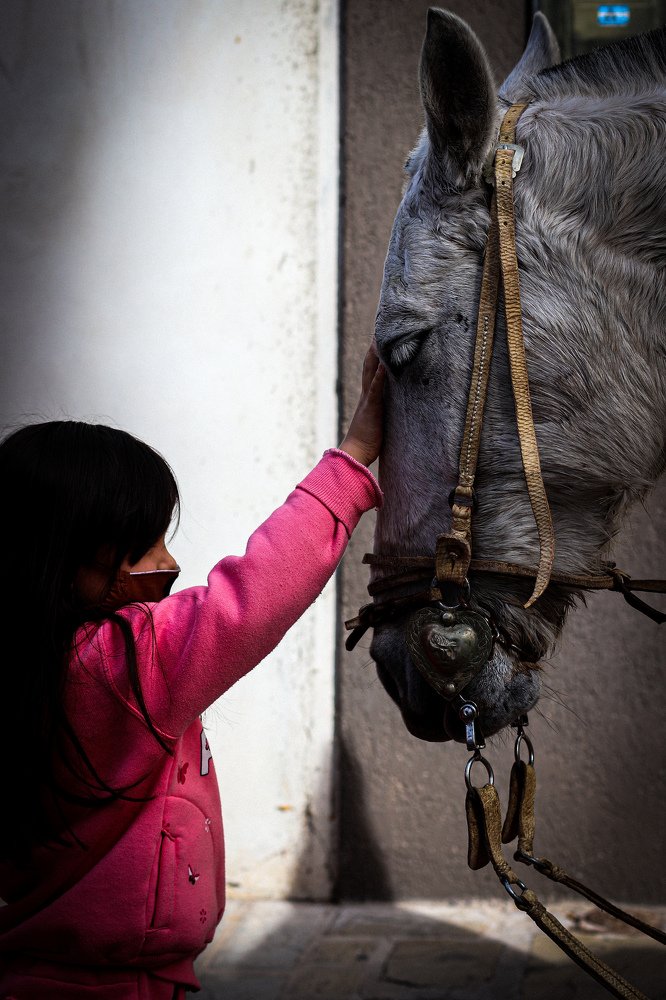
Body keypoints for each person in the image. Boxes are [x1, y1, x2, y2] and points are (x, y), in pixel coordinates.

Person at [0, 345, 385, 999]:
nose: (168, 561)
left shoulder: (27, 661)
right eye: (145, 542)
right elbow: (256, 594)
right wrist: (353, 457)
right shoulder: (119, 666)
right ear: (76, 560)